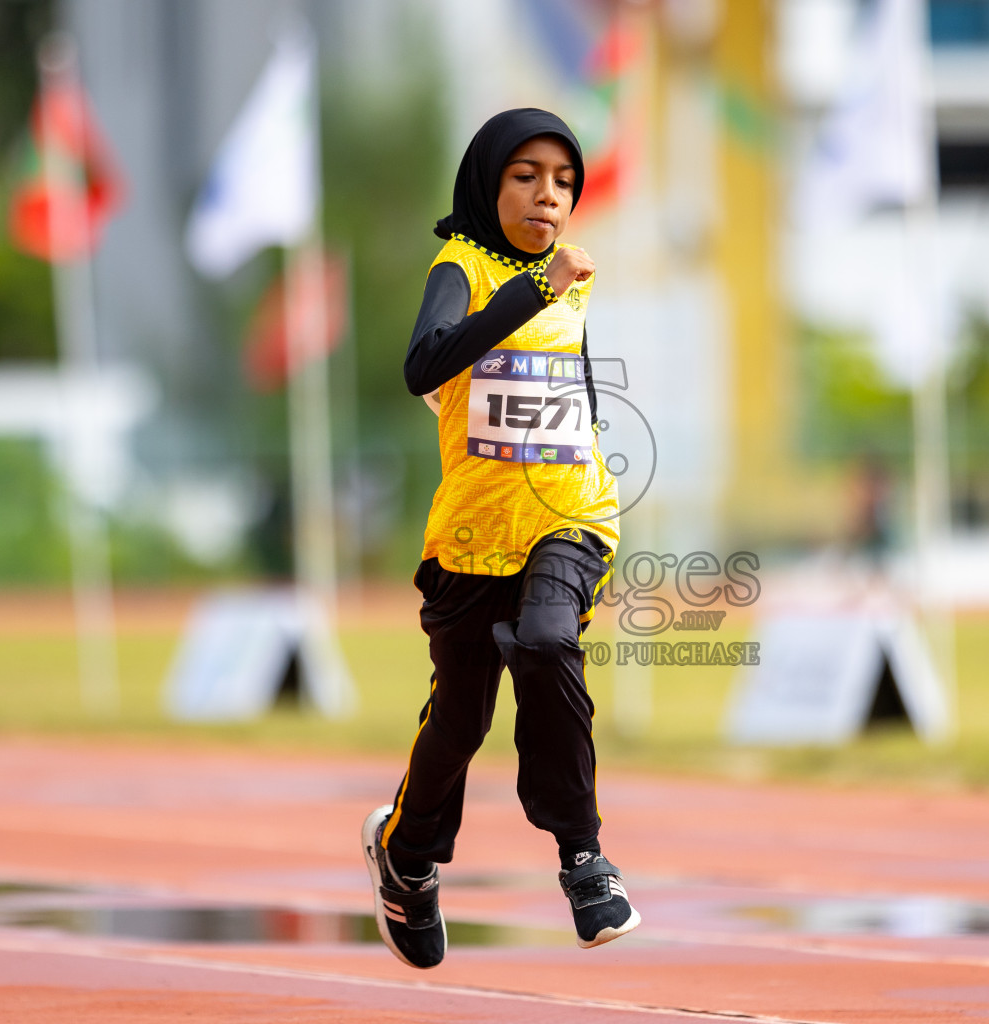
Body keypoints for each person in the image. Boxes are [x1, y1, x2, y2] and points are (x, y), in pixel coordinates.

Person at [361, 108, 639, 970]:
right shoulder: (463, 267)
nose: (547, 195)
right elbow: (423, 364)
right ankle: (406, 859)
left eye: (562, 181)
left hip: (570, 519)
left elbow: (576, 388)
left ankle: (582, 856)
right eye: (526, 176)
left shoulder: (574, 281)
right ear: (488, 182)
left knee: (552, 641)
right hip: (474, 538)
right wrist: (533, 290)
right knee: (463, 717)